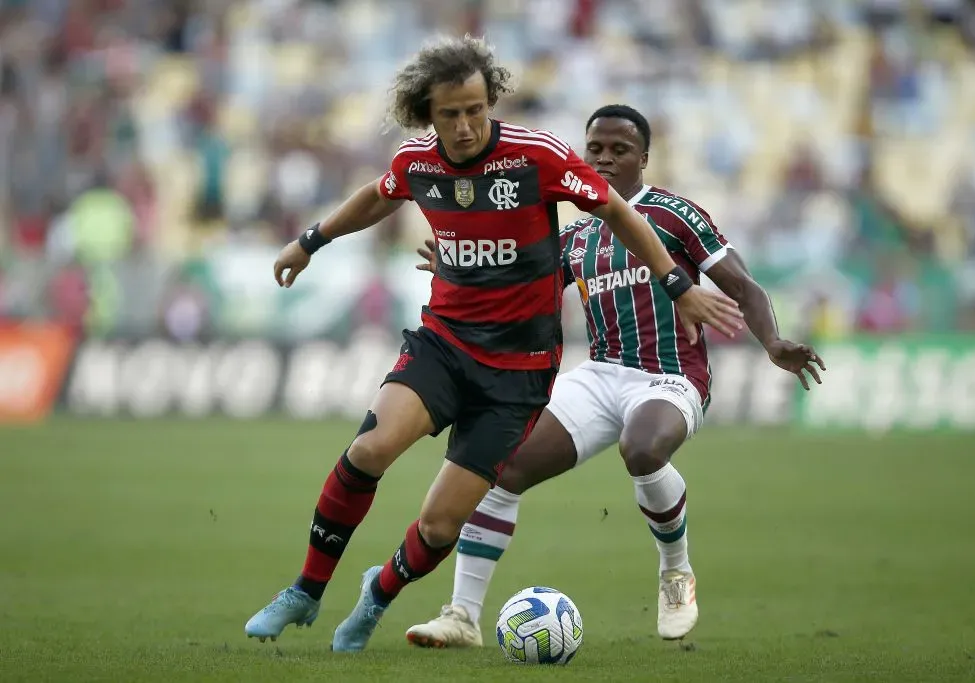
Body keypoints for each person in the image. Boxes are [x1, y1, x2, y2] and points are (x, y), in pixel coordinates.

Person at [244, 37, 744, 653]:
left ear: (491, 102)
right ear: (429, 113)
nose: (464, 125)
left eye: (476, 109)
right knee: (371, 447)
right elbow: (378, 195)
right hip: (446, 344)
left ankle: (378, 595)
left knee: (438, 522)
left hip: (520, 372)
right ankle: (305, 591)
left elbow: (616, 211)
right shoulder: (417, 161)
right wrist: (310, 241)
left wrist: (677, 284)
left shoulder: (538, 157)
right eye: (450, 113)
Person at [405, 104, 826, 647]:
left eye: (619, 150)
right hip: (601, 374)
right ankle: (461, 616)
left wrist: (771, 341)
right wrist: (459, 266)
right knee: (502, 466)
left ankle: (676, 573)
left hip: (670, 377)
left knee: (643, 449)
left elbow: (743, 285)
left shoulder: (675, 216)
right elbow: (511, 292)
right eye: (595, 149)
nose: (604, 159)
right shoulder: (575, 238)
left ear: (644, 158)